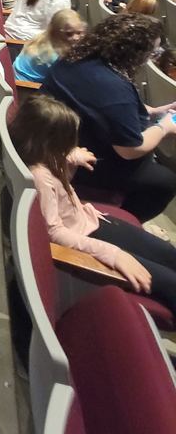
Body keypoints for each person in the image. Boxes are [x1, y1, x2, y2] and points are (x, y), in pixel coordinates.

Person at [10, 94, 176, 316]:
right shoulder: (40, 177)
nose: (73, 147)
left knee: (169, 254)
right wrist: (113, 254)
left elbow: (61, 189)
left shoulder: (40, 156)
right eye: (67, 144)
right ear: (49, 143)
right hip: (87, 240)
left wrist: (69, 160)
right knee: (171, 284)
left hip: (90, 220)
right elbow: (54, 233)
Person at [41, 14, 176, 222]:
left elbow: (101, 107)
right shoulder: (115, 88)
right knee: (165, 182)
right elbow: (130, 150)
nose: (152, 58)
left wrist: (156, 111)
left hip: (54, 138)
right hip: (76, 160)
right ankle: (121, 222)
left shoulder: (77, 58)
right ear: (136, 53)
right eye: (152, 52)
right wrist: (165, 127)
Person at [12, 9, 85, 83]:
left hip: (17, 79)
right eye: (69, 34)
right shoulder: (52, 55)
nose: (76, 38)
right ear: (56, 32)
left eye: (79, 33)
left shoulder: (44, 37)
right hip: (24, 88)